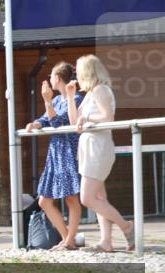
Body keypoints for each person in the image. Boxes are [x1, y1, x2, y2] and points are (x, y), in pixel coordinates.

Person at [66, 55, 135, 252]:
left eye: (78, 73)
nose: (77, 77)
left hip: (98, 147)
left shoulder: (100, 90)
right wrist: (70, 97)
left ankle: (126, 226)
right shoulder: (89, 94)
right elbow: (74, 122)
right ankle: (106, 241)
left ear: (87, 72)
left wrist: (86, 118)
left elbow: (107, 117)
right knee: (98, 196)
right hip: (88, 147)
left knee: (87, 198)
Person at [24, 62, 84, 250]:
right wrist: (35, 123)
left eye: (51, 76)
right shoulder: (57, 100)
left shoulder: (77, 98)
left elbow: (57, 122)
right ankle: (68, 239)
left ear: (57, 78)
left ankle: (68, 241)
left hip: (69, 151)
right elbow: (45, 119)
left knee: (71, 198)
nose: (49, 80)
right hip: (55, 153)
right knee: (44, 201)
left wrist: (47, 101)